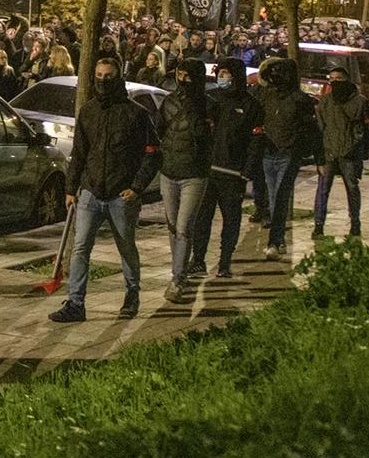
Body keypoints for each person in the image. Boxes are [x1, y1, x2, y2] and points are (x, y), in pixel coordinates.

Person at [47, 56, 158, 323]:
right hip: (91, 192)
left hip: (121, 195)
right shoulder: (89, 111)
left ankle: (132, 295)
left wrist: (137, 187)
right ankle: (75, 303)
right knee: (81, 248)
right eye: (98, 75)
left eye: (108, 76)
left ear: (118, 77)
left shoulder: (136, 114)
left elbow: (153, 154)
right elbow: (80, 153)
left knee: (126, 247)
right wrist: (72, 188)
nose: (102, 81)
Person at [190, 62, 261, 278]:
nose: (223, 77)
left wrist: (247, 169)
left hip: (232, 173)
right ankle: (198, 259)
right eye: (220, 73)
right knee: (202, 218)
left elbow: (255, 142)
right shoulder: (211, 99)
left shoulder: (251, 105)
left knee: (231, 219)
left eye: (227, 74)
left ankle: (225, 262)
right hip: (208, 170)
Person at [152, 59, 213, 301]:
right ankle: (179, 269)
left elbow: (210, 140)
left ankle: (177, 279)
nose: (183, 80)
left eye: (188, 76)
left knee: (184, 227)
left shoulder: (208, 105)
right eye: (180, 75)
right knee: (172, 226)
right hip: (169, 172)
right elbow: (159, 130)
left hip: (194, 175)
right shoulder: (169, 101)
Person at [254, 56, 317, 261]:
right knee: (273, 196)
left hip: (288, 154)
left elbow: (310, 129)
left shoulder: (300, 100)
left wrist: (315, 156)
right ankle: (279, 239)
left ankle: (274, 241)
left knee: (280, 196)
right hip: (268, 153)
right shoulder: (267, 96)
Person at [312, 68, 369, 237]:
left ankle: (355, 223)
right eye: (331, 79)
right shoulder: (325, 102)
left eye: (338, 78)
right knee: (322, 190)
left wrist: (358, 150)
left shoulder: (360, 102)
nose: (334, 82)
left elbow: (365, 129)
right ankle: (319, 225)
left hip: (350, 154)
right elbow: (319, 131)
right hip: (329, 152)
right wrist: (320, 158)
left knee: (353, 188)